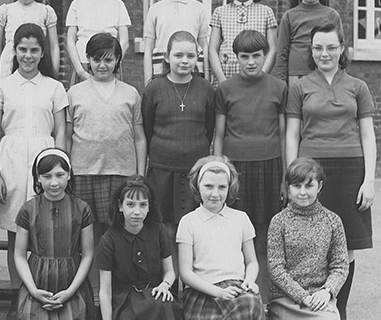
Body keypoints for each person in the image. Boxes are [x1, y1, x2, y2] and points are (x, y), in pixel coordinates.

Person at [286, 22, 377, 320]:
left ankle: (341, 312)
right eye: (317, 48)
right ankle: (313, 313)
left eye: (331, 47)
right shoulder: (300, 87)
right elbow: (292, 135)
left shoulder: (358, 87)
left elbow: (368, 135)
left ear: (342, 49)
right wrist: (292, 177)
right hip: (312, 170)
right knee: (314, 243)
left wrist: (369, 180)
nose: (324, 54)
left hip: (350, 170)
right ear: (311, 51)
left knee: (346, 246)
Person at [0, 23, 68, 320]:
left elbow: (61, 131)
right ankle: (16, 296)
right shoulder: (2, 87)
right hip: (11, 160)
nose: (28, 55)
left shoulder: (54, 87)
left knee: (45, 231)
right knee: (16, 234)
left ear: (43, 52)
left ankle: (44, 293)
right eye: (22, 49)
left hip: (44, 160)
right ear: (15, 50)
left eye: (34, 50)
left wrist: (60, 169)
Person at [213, 29, 287, 297]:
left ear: (266, 55)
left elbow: (283, 135)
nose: (251, 62)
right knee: (236, 235)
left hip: (269, 168)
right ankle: (237, 295)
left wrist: (284, 178)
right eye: (244, 56)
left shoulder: (279, 88)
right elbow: (219, 136)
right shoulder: (225, 89)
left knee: (265, 236)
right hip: (236, 170)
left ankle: (264, 299)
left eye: (256, 55)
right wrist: (221, 174)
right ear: (236, 57)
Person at [177, 156, 268, 320]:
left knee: (249, 301)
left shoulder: (240, 218)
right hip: (204, 293)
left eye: (222, 187)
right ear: (197, 186)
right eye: (208, 186)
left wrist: (249, 280)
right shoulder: (188, 222)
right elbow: (186, 273)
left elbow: (252, 262)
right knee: (240, 309)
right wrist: (218, 292)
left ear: (229, 188)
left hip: (236, 287)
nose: (215, 194)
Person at [13, 149, 95, 320]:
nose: (54, 182)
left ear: (69, 175)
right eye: (47, 176)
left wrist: (70, 292)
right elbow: (19, 255)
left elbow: (88, 255)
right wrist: (33, 290)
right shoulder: (28, 209)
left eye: (60, 175)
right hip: (38, 285)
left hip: (70, 285)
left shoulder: (82, 208)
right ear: (38, 178)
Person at [143, 30, 215, 272]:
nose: (185, 61)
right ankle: (170, 282)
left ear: (197, 58)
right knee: (166, 230)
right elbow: (148, 128)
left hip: (195, 173)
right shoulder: (154, 88)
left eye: (191, 56)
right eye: (178, 55)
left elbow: (209, 128)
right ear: (167, 57)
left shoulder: (205, 88)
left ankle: (194, 282)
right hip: (162, 171)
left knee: (194, 230)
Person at [267, 158, 349, 320]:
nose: (302, 192)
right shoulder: (278, 222)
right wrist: (302, 297)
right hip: (287, 299)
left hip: (318, 297)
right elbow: (276, 268)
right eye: (296, 186)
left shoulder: (332, 221)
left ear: (319, 186)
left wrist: (327, 292)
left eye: (308, 186)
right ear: (288, 187)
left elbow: (340, 265)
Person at [66, 33, 147, 242]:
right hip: (84, 172)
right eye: (96, 59)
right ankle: (90, 266)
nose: (102, 65)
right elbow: (66, 136)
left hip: (121, 173)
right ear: (88, 59)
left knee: (117, 234)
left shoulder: (130, 93)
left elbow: (139, 138)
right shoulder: (75, 93)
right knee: (87, 235)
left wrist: (139, 174)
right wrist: (67, 171)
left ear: (118, 59)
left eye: (108, 60)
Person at [95, 176, 182, 320]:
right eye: (130, 204)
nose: (137, 211)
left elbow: (170, 272)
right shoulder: (108, 240)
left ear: (150, 207)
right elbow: (105, 292)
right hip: (125, 301)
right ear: (120, 206)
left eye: (143, 205)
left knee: (160, 304)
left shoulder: (158, 230)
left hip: (154, 296)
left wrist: (165, 285)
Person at [209, 0, 278, 85]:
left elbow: (272, 49)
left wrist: (261, 77)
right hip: (226, 79)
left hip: (257, 81)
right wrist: (222, 81)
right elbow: (213, 49)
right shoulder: (220, 12)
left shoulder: (266, 12)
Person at [142, 0, 210, 84]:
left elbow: (204, 45)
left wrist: (207, 77)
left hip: (192, 72)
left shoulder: (198, 8)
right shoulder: (155, 9)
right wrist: (148, 82)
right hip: (161, 71)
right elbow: (148, 49)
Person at [274, 0, 343, 85]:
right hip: (296, 76)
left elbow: (339, 51)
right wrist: (281, 83)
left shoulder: (332, 15)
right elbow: (282, 53)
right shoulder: (289, 16)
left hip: (325, 75)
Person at [66, 0, 131, 84]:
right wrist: (80, 71)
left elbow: (124, 41)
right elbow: (70, 41)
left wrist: (113, 64)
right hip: (84, 64)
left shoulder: (117, 4)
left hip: (110, 65)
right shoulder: (77, 4)